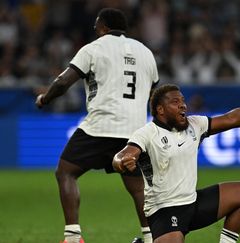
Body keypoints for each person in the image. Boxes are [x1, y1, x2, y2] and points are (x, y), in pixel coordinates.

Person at [35, 8, 158, 243]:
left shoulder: (93, 49)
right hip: (135, 131)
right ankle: (152, 238)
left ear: (102, 27)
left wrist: (45, 99)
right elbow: (153, 92)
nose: (95, 31)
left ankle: (72, 237)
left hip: (99, 127)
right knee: (138, 187)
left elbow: (63, 82)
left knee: (66, 172)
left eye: (95, 28)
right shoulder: (146, 53)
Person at [112, 84, 240, 242]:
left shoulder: (195, 125)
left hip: (193, 203)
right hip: (164, 211)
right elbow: (123, 155)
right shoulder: (147, 133)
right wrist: (121, 162)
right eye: (175, 102)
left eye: (183, 101)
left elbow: (232, 119)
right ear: (160, 110)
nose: (183, 105)